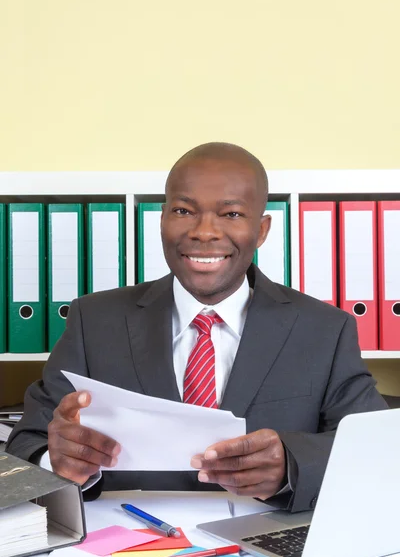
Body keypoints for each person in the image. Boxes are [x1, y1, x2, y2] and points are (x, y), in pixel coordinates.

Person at [6, 142, 387, 512]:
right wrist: (56, 463)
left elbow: (374, 449)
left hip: (264, 555)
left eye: (232, 214)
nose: (204, 232)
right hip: (125, 551)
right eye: (184, 211)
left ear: (262, 230)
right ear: (162, 219)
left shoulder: (324, 329)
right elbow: (29, 442)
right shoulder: (94, 319)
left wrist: (291, 466)